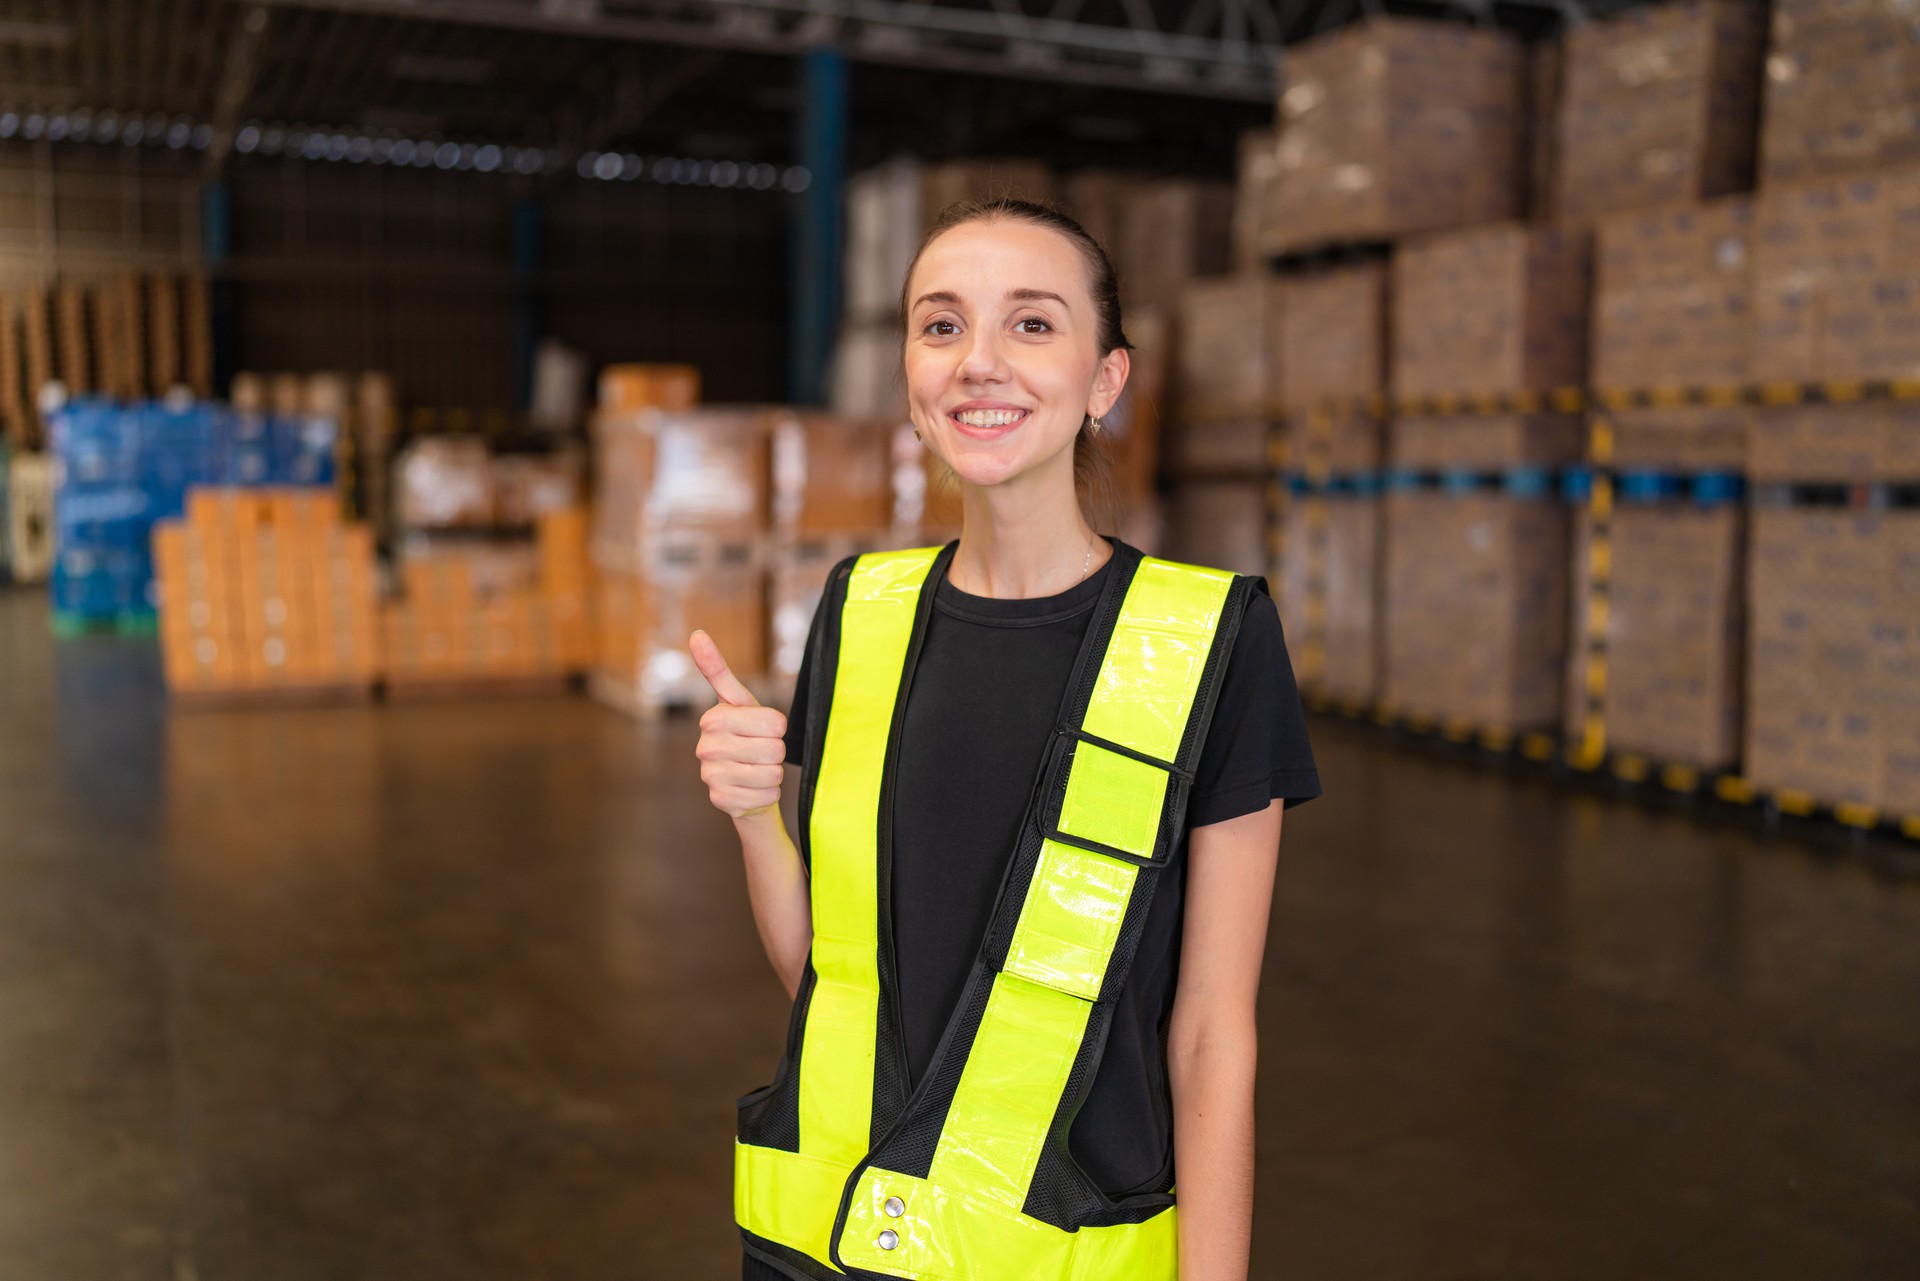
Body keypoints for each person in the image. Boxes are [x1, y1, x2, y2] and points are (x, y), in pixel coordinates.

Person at [691, 198, 1320, 1281]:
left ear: (1105, 381)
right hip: (826, 1248)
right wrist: (756, 822)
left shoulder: (1210, 641)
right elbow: (831, 983)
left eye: (1031, 324)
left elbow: (1214, 1036)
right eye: (942, 327)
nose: (979, 362)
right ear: (911, 379)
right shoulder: (863, 611)